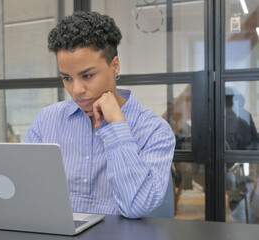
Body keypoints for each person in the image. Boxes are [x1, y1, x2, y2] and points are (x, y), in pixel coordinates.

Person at [24, 11, 176, 219]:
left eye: (87, 75)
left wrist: (117, 125)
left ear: (114, 66)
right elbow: (26, 192)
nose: (76, 90)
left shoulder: (154, 130)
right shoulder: (47, 120)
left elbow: (136, 208)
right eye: (67, 78)